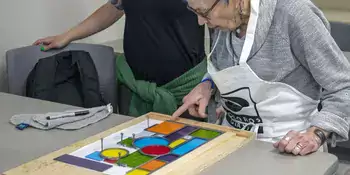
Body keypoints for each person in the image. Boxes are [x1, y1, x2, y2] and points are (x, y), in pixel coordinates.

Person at [172, 0, 350, 156]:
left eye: (203, 12)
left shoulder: (293, 14)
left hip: (290, 149)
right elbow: (229, 68)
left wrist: (316, 134)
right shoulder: (222, 21)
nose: (200, 21)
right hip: (232, 142)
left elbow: (344, 87)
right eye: (193, 11)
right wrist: (208, 84)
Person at [33, 1, 207, 120]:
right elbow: (114, 8)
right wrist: (67, 36)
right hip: (134, 88)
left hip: (184, 93)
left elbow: (220, 25)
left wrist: (215, 81)